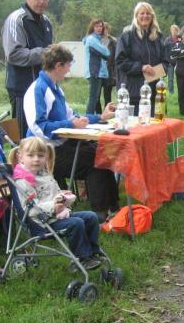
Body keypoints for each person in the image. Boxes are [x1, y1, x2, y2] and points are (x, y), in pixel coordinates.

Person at [24, 44, 119, 219]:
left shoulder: (55, 88)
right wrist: (70, 124)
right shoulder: (38, 89)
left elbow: (73, 117)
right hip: (45, 152)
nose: (69, 70)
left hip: (61, 145)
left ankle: (114, 208)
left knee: (101, 154)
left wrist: (100, 117)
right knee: (93, 162)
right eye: (68, 65)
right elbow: (38, 126)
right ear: (58, 65)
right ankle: (99, 214)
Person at [10, 136, 104, 270]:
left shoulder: (44, 174)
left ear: (46, 157)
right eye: (30, 155)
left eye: (40, 155)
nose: (36, 159)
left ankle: (93, 252)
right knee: (76, 223)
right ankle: (82, 258)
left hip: (57, 216)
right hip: (42, 222)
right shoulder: (23, 181)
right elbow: (29, 209)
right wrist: (53, 207)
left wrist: (63, 196)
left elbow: (51, 194)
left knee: (91, 216)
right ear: (20, 157)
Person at [2, 0, 54, 139]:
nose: (42, 1)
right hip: (22, 87)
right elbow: (14, 54)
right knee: (24, 138)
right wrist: (46, 53)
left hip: (43, 87)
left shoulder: (46, 22)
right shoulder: (16, 19)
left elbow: (49, 53)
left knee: (42, 135)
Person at [115, 2, 168, 114]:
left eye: (148, 13)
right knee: (135, 123)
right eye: (142, 13)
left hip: (155, 93)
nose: (145, 16)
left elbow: (166, 62)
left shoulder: (158, 38)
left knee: (156, 122)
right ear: (136, 16)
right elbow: (120, 61)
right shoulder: (127, 36)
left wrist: (156, 71)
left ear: (152, 16)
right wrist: (141, 68)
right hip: (133, 92)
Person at [83, 18, 111, 114]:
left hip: (99, 72)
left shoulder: (98, 39)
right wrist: (105, 47)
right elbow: (106, 53)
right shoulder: (92, 39)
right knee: (93, 97)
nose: (99, 28)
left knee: (95, 97)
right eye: (96, 26)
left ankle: (95, 117)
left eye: (101, 26)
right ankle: (88, 117)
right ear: (92, 27)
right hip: (95, 72)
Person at [101, 23, 117, 112]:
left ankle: (108, 112)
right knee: (96, 96)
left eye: (105, 29)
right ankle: (99, 114)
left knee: (107, 94)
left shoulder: (113, 41)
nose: (104, 31)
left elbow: (115, 58)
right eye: (102, 29)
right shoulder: (96, 40)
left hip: (109, 70)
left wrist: (115, 73)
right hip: (99, 70)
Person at [164, 24, 180, 95]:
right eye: (172, 30)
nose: (174, 31)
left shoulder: (180, 39)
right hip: (170, 62)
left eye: (175, 30)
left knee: (180, 78)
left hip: (179, 62)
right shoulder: (167, 39)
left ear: (177, 31)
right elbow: (165, 51)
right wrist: (167, 60)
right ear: (170, 31)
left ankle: (180, 91)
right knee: (170, 79)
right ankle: (171, 92)